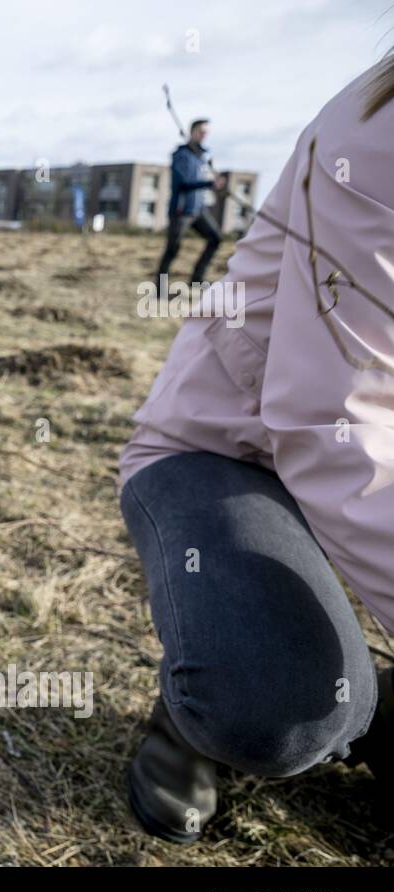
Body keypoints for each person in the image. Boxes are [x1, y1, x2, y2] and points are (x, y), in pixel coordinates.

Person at [118, 56, 394, 844]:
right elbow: (335, 428)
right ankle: (194, 715)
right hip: (229, 451)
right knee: (278, 704)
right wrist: (199, 173)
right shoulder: (377, 136)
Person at [156, 119, 227, 290]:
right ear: (192, 132)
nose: (204, 135)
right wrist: (210, 184)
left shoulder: (201, 157)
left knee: (215, 238)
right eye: (201, 131)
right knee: (173, 248)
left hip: (198, 209)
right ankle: (160, 289)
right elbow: (182, 183)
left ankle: (197, 280)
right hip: (182, 210)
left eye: (206, 132)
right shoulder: (181, 155)